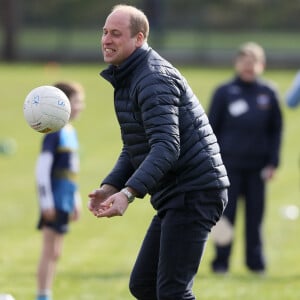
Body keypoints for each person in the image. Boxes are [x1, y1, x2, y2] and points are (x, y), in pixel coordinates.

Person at [88, 4, 229, 300]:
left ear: (139, 39)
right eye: (104, 32)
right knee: (144, 285)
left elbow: (167, 146)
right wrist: (110, 185)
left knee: (173, 292)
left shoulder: (153, 78)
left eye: (116, 34)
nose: (106, 40)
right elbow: (136, 145)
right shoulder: (129, 76)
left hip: (195, 191)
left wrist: (128, 194)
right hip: (178, 193)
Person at [208, 42, 283, 274]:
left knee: (255, 218)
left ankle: (255, 263)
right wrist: (212, 163)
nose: (249, 67)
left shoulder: (268, 93)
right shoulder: (224, 92)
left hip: (257, 167)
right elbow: (210, 129)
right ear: (237, 63)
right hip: (228, 166)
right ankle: (221, 263)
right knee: (225, 216)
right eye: (245, 62)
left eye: (254, 63)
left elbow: (276, 131)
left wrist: (273, 162)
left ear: (262, 65)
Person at [35, 81, 85, 300]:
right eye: (77, 102)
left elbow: (70, 172)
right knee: (48, 250)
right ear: (62, 104)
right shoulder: (54, 134)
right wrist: (46, 203)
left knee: (56, 252)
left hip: (65, 198)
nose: (80, 106)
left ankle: (48, 293)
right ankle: (42, 295)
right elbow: (42, 170)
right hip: (53, 199)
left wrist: (75, 200)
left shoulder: (70, 132)